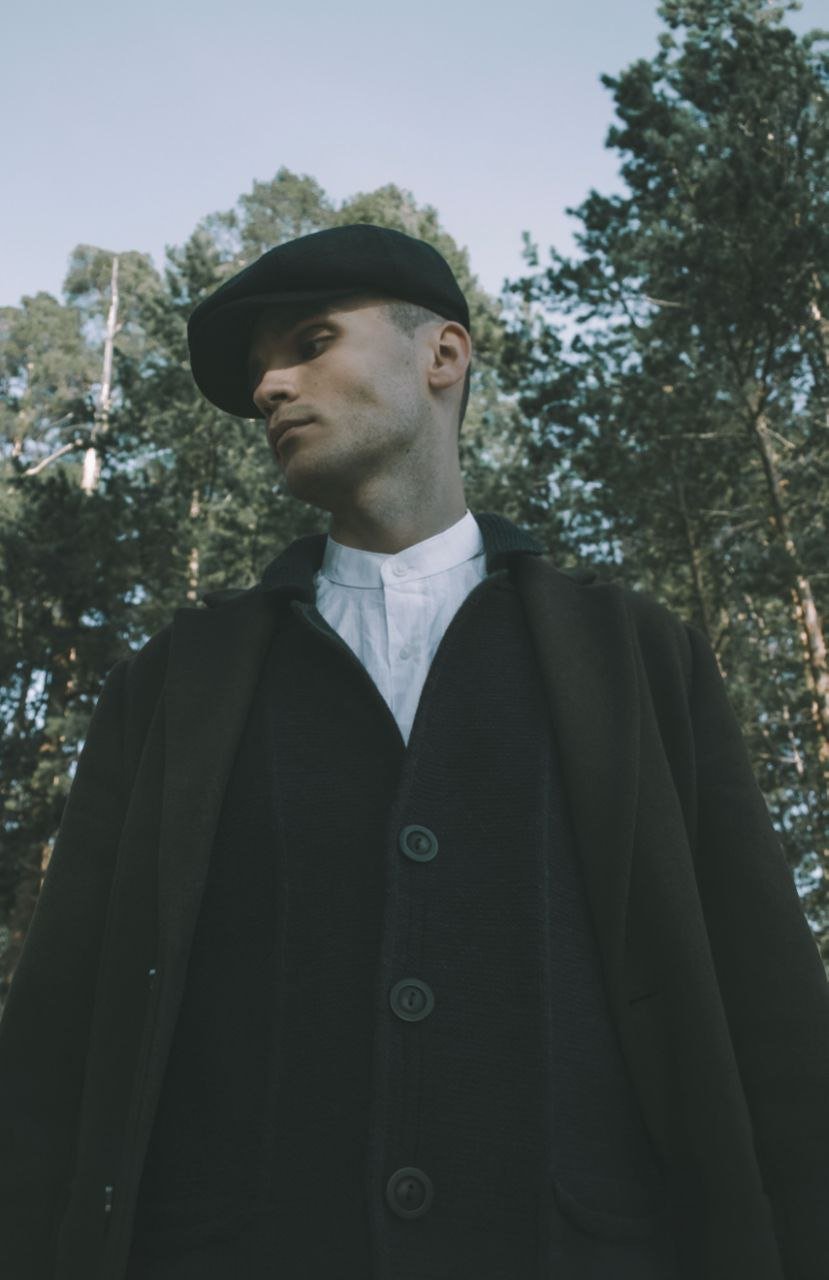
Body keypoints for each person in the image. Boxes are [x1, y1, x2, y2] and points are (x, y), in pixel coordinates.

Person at [0, 223, 827, 1280]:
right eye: (259, 370)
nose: (268, 387)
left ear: (443, 354)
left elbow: (773, 1023)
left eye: (310, 342)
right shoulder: (168, 688)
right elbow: (55, 1053)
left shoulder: (637, 661)